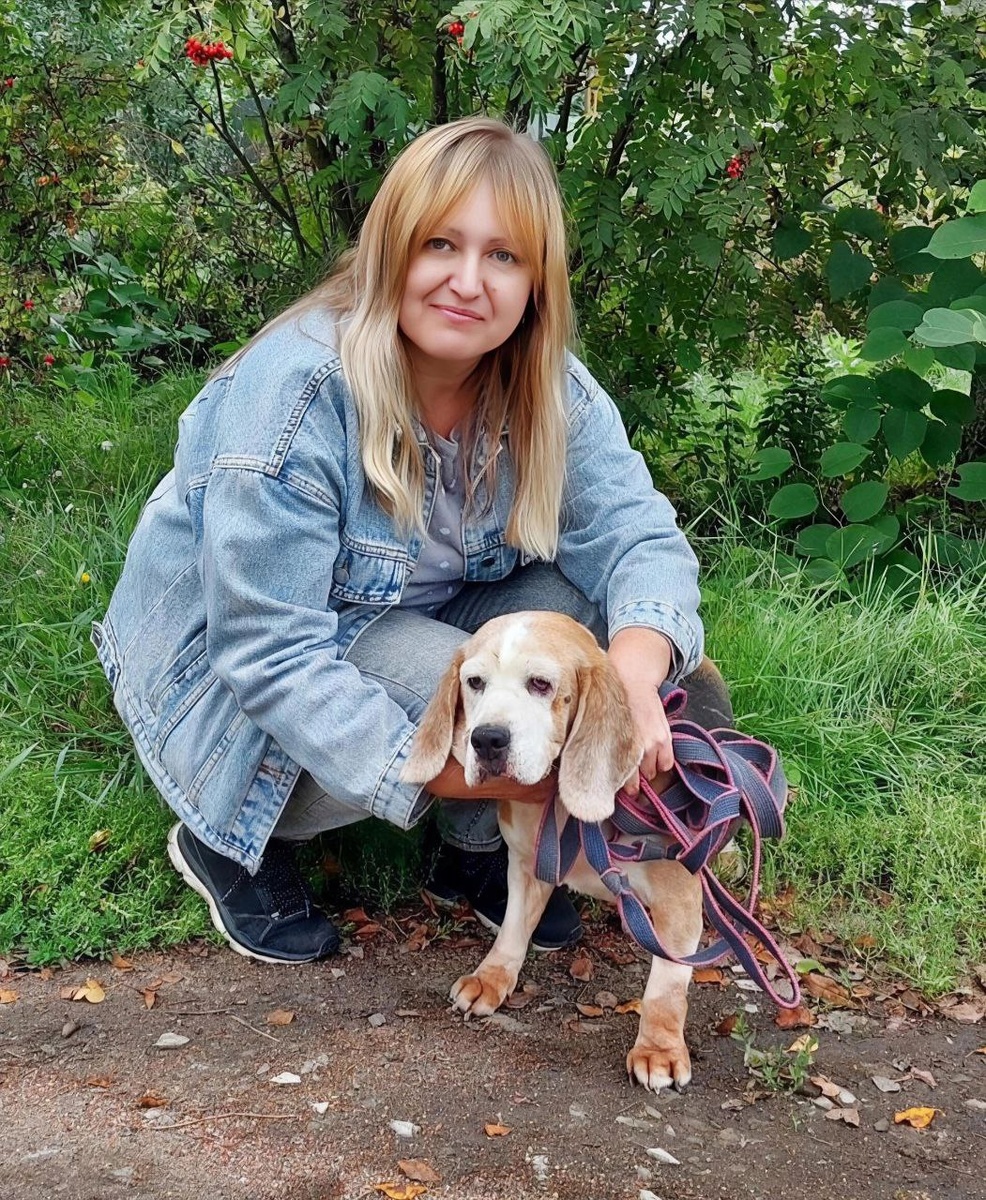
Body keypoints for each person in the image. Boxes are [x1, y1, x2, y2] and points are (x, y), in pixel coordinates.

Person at [92, 116, 719, 966]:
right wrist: (532, 767)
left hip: (405, 615)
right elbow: (269, 653)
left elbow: (639, 537)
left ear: (537, 282)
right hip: (230, 679)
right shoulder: (298, 392)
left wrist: (635, 682)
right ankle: (230, 836)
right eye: (440, 245)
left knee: (591, 637)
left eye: (504, 256)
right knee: (476, 689)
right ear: (392, 249)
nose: (468, 282)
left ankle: (473, 847)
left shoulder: (546, 384)